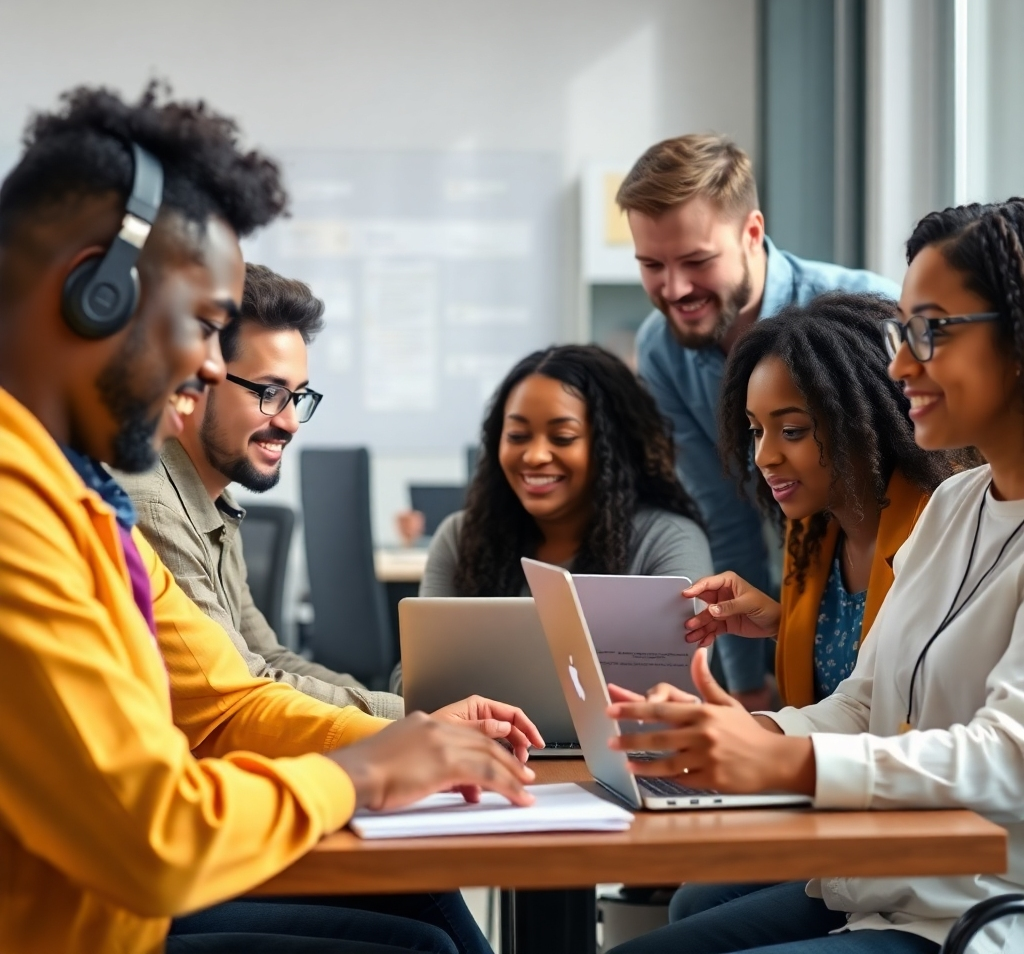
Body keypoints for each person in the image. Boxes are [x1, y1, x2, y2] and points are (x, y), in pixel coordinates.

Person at [0, 82, 539, 954]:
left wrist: (410, 738)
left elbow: (222, 707)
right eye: (206, 328)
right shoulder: (14, 510)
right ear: (94, 294)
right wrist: (358, 772)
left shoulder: (75, 495)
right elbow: (153, 838)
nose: (213, 369)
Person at [604, 198, 1024, 954]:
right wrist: (741, 735)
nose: (900, 364)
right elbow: (866, 701)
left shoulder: (930, 506)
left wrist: (782, 756)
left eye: (929, 330)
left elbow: (1008, 757)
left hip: (979, 913)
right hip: (892, 888)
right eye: (902, 332)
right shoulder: (961, 504)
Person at [664, 291, 966, 923]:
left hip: (895, 837)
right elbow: (851, 683)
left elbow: (902, 695)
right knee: (691, 897)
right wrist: (778, 626)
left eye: (792, 430)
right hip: (832, 812)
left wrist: (761, 741)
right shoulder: (813, 528)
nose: (764, 455)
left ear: (864, 417)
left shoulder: (936, 521)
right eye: (755, 430)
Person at [618, 134, 900, 709]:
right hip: (813, 598)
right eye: (651, 265)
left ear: (751, 232)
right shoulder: (663, 350)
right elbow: (726, 517)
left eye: (696, 261)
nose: (674, 289)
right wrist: (748, 690)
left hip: (901, 590)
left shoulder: (867, 316)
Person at [118, 262, 402, 719]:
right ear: (196, 380)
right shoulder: (149, 506)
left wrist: (418, 712)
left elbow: (271, 658)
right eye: (269, 393)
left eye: (298, 396)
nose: (289, 421)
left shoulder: (216, 505)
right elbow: (245, 687)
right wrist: (415, 719)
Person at [421, 344, 712, 596]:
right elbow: (419, 661)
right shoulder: (462, 538)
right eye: (517, 436)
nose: (534, 456)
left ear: (613, 447)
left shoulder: (666, 542)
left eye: (563, 438)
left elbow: (684, 661)